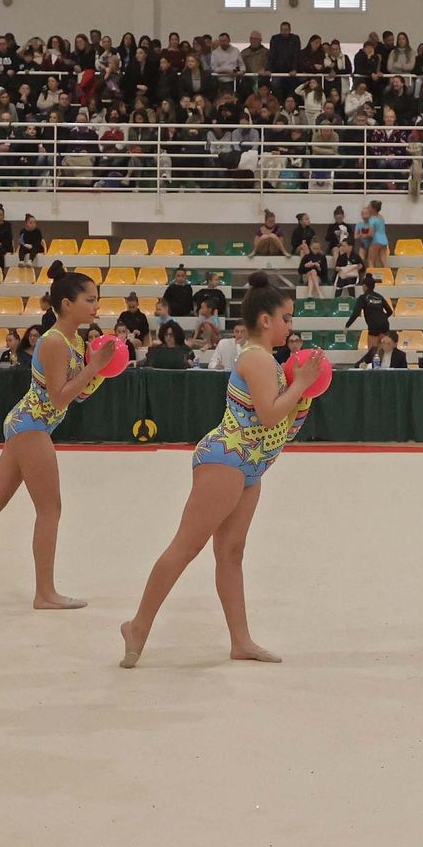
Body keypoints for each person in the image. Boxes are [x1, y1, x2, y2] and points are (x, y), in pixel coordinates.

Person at [120, 273, 322, 668]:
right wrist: (301, 385)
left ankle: (240, 640)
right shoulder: (256, 357)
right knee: (186, 546)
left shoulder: (271, 363)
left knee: (232, 553)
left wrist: (302, 392)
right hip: (225, 458)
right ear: (265, 320)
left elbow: (281, 427)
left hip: (250, 467)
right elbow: (268, 414)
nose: (290, 326)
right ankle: (137, 626)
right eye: (286, 318)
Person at [0, 271, 116, 611]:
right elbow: (59, 397)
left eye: (97, 300)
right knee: (50, 508)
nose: (96, 306)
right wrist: (95, 367)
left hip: (27, 424)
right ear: (67, 303)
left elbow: (78, 394)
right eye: (90, 299)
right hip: (32, 425)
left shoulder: (74, 341)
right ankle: (44, 593)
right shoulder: (55, 341)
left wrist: (101, 369)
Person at [345, 274, 392, 342]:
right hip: (385, 325)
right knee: (383, 347)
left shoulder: (362, 298)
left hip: (373, 325)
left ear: (364, 286)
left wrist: (347, 325)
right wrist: (383, 318)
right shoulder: (379, 296)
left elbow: (356, 313)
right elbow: (390, 311)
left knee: (373, 348)